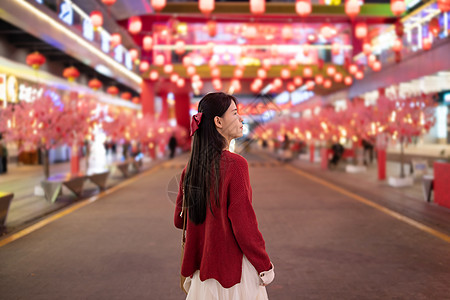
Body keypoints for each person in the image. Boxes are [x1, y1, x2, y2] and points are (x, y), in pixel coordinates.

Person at [174, 92, 274, 299]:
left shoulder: (190, 168)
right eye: (235, 113)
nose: (241, 119)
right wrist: (264, 265)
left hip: (201, 272)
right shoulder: (236, 165)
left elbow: (179, 220)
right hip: (233, 272)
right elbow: (244, 225)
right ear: (218, 122)